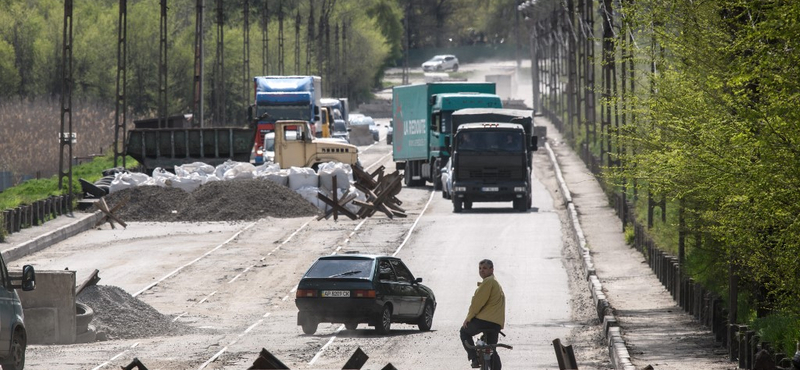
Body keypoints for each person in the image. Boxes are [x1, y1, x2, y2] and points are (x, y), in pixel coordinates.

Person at [461, 259, 506, 369]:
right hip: (495, 324)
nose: (482, 271)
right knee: (491, 349)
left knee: (464, 332)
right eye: (480, 268)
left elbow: (477, 303)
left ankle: (474, 359)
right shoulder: (496, 283)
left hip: (484, 321)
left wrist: (469, 318)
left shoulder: (488, 282)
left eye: (485, 268)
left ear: (492, 269)